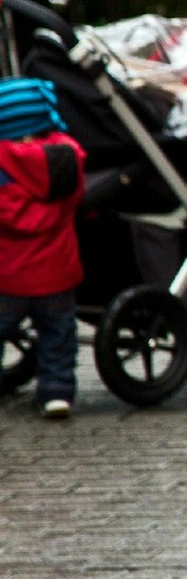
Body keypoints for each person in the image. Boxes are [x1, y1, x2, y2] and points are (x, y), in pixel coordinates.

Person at [0, 79, 87, 420]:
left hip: (9, 278)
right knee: (58, 335)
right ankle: (56, 392)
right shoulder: (66, 158)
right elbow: (78, 198)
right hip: (58, 275)